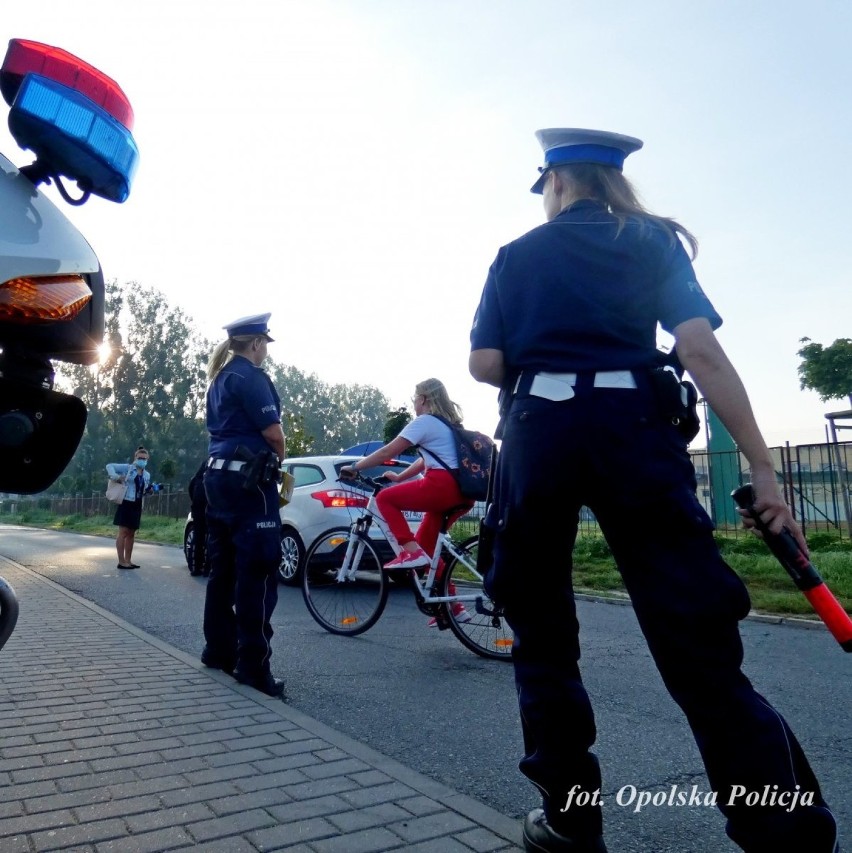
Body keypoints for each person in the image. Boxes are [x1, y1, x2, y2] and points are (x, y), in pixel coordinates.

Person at [469, 129, 838, 853]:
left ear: (556, 180)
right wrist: (763, 469)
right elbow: (699, 351)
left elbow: (485, 363)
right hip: (635, 429)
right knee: (697, 639)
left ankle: (572, 822)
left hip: (539, 434)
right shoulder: (652, 243)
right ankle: (782, 828)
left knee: (543, 636)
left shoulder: (515, 256)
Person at [201, 312, 287, 698]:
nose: (266, 350)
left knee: (223, 571)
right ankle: (253, 666)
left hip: (216, 478)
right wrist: (281, 465)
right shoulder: (250, 377)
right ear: (255, 343)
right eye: (265, 343)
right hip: (249, 482)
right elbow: (274, 435)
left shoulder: (218, 379)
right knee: (258, 571)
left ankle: (217, 651)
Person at [340, 378, 474, 626]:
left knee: (385, 498)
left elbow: (387, 452)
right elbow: (426, 460)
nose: (413, 403)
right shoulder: (449, 426)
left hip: (442, 486)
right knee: (425, 547)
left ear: (423, 399)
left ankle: (410, 554)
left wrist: (355, 466)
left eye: (415, 398)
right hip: (463, 492)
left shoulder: (424, 422)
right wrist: (401, 477)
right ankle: (453, 607)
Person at [106, 446, 154, 569]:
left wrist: (150, 491)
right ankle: (121, 561)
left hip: (137, 504)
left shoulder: (146, 474)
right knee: (123, 532)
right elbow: (109, 466)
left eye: (144, 458)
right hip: (126, 502)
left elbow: (143, 490)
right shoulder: (128, 468)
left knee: (131, 533)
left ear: (147, 459)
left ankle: (128, 560)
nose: (142, 460)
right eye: (140, 458)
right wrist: (116, 477)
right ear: (135, 458)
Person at [187, 460, 210, 577]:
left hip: (197, 509)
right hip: (210, 509)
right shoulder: (213, 478)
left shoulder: (197, 478)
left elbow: (191, 490)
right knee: (211, 539)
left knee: (198, 538)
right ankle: (207, 569)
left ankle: (196, 568)